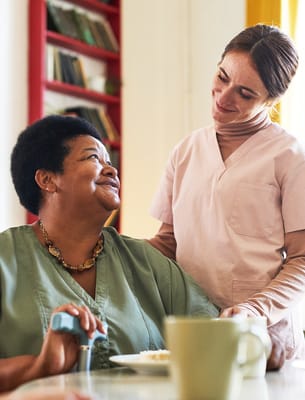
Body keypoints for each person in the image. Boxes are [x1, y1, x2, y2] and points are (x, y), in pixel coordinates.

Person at [0, 115, 219, 393]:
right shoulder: (5, 260)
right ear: (47, 179)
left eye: (109, 162)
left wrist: (261, 340)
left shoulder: (145, 262)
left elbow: (216, 332)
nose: (111, 171)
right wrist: (40, 367)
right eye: (93, 158)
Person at [149, 23, 305, 366]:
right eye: (222, 77)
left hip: (263, 339)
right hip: (194, 331)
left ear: (272, 100)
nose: (223, 97)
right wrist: (107, 253)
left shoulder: (289, 157)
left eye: (245, 94)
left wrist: (254, 312)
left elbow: (302, 259)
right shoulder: (186, 150)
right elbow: (167, 243)